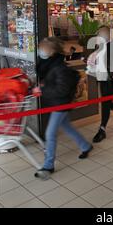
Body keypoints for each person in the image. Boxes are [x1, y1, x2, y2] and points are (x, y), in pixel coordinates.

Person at [35, 37, 93, 180]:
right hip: (56, 102)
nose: (41, 50)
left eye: (44, 48)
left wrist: (42, 90)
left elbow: (61, 89)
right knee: (67, 127)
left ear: (52, 51)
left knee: (50, 134)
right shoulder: (47, 64)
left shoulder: (59, 68)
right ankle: (85, 146)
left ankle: (48, 165)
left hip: (61, 103)